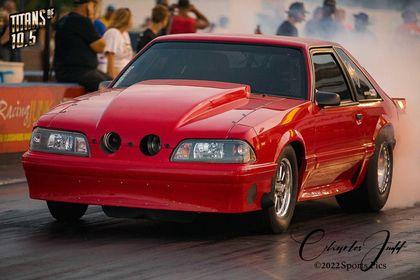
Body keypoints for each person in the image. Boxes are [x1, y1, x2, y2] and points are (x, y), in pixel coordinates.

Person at [54, 0, 110, 92]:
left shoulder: (64, 20)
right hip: (79, 72)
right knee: (111, 87)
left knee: (111, 81)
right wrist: (91, 20)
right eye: (93, 5)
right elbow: (100, 47)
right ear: (86, 5)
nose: (94, 9)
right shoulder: (81, 20)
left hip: (64, 72)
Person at [100, 8, 134, 79]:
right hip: (115, 75)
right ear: (126, 20)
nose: (132, 21)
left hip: (125, 74)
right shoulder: (113, 33)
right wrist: (112, 79)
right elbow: (110, 56)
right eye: (131, 18)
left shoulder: (125, 34)